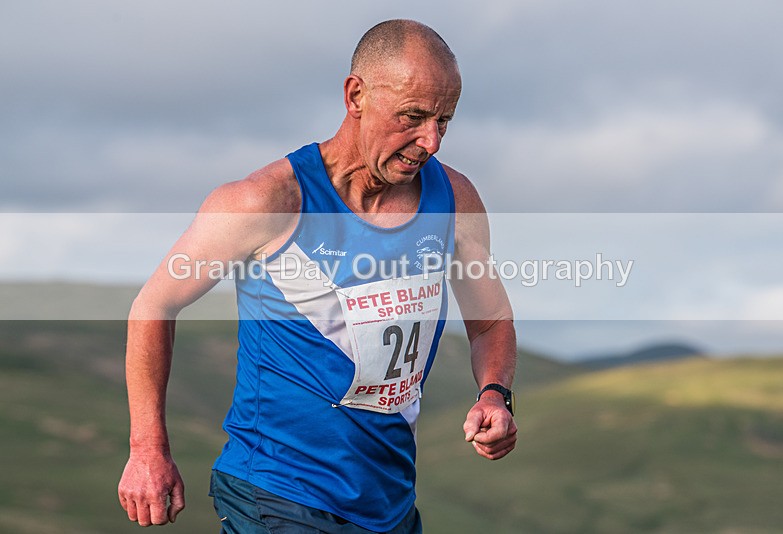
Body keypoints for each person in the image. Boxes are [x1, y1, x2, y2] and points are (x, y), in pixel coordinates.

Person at [118, 19, 517, 533]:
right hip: (276, 491)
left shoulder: (454, 201)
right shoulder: (266, 202)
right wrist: (147, 449)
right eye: (413, 117)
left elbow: (491, 321)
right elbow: (154, 304)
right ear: (356, 95)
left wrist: (494, 394)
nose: (432, 141)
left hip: (388, 501)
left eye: (445, 120)